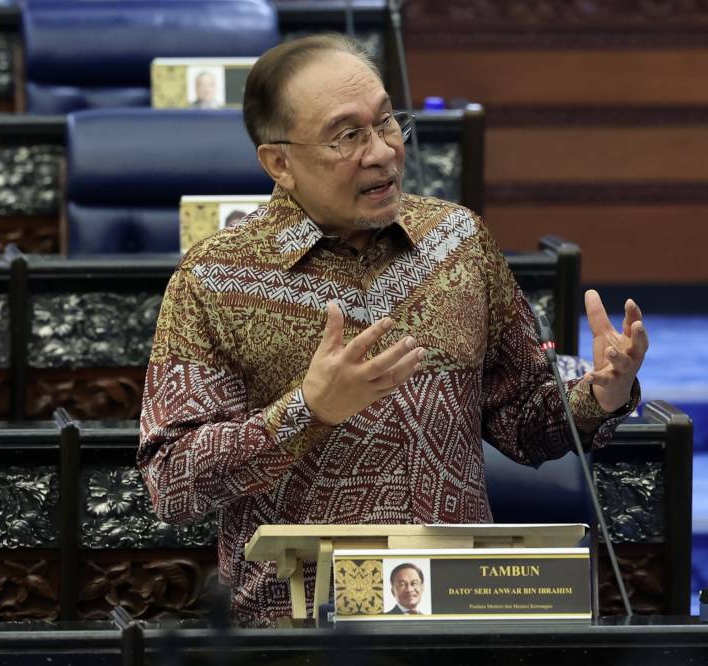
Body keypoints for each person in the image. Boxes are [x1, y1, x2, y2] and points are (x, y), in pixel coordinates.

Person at [138, 34, 648, 628]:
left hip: (460, 611)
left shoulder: (457, 242)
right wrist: (309, 409)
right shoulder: (214, 279)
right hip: (300, 625)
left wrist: (601, 395)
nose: (381, 152)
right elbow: (173, 486)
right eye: (347, 135)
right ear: (279, 163)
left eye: (386, 123)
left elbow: (521, 423)